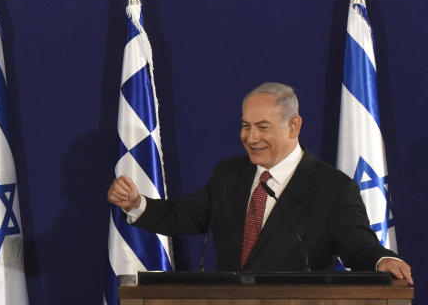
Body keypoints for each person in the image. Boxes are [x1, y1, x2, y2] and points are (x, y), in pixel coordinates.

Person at [107, 82, 413, 284]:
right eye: (245, 126)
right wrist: (137, 204)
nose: (251, 138)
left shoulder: (332, 189)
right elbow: (186, 215)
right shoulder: (230, 175)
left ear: (294, 126)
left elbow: (358, 246)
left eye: (262, 127)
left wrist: (382, 259)